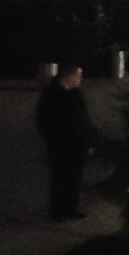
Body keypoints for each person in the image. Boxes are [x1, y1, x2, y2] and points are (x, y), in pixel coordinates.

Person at [35, 62, 93, 221]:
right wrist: (52, 139)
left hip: (77, 144)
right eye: (78, 75)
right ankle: (57, 211)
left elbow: (83, 118)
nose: (80, 79)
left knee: (74, 178)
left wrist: (88, 140)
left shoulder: (75, 92)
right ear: (70, 75)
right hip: (60, 145)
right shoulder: (52, 93)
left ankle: (70, 207)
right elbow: (43, 119)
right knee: (59, 178)